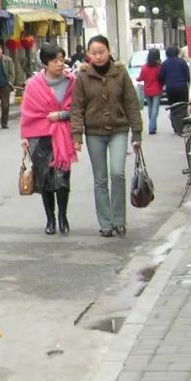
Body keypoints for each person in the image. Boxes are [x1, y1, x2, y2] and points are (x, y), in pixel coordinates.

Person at [70, 35, 143, 238]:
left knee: (117, 173)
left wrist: (137, 132)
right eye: (94, 53)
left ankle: (119, 220)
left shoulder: (120, 73)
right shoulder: (83, 77)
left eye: (101, 51)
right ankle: (105, 223)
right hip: (94, 132)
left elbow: (131, 103)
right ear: (88, 55)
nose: (98, 56)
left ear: (109, 51)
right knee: (100, 179)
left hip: (119, 129)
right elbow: (77, 108)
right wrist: (76, 135)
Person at [20, 44, 77, 235]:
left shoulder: (71, 82)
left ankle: (63, 216)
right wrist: (24, 137)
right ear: (45, 63)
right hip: (38, 134)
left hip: (62, 134)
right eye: (55, 61)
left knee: (62, 178)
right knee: (44, 178)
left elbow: (77, 109)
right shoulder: (33, 85)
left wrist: (61, 115)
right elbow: (26, 112)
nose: (60, 64)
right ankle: (50, 219)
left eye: (62, 59)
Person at [158, 45, 191, 134]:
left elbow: (160, 76)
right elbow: (188, 75)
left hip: (170, 88)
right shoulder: (182, 62)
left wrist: (164, 82)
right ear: (177, 52)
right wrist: (188, 83)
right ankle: (181, 125)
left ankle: (175, 125)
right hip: (182, 87)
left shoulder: (165, 63)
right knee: (182, 106)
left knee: (173, 106)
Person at [136, 48, 163, 135]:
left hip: (147, 90)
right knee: (155, 109)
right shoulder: (159, 67)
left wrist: (137, 79)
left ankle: (153, 126)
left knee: (150, 108)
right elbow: (162, 78)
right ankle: (152, 127)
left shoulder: (144, 67)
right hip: (157, 90)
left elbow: (140, 78)